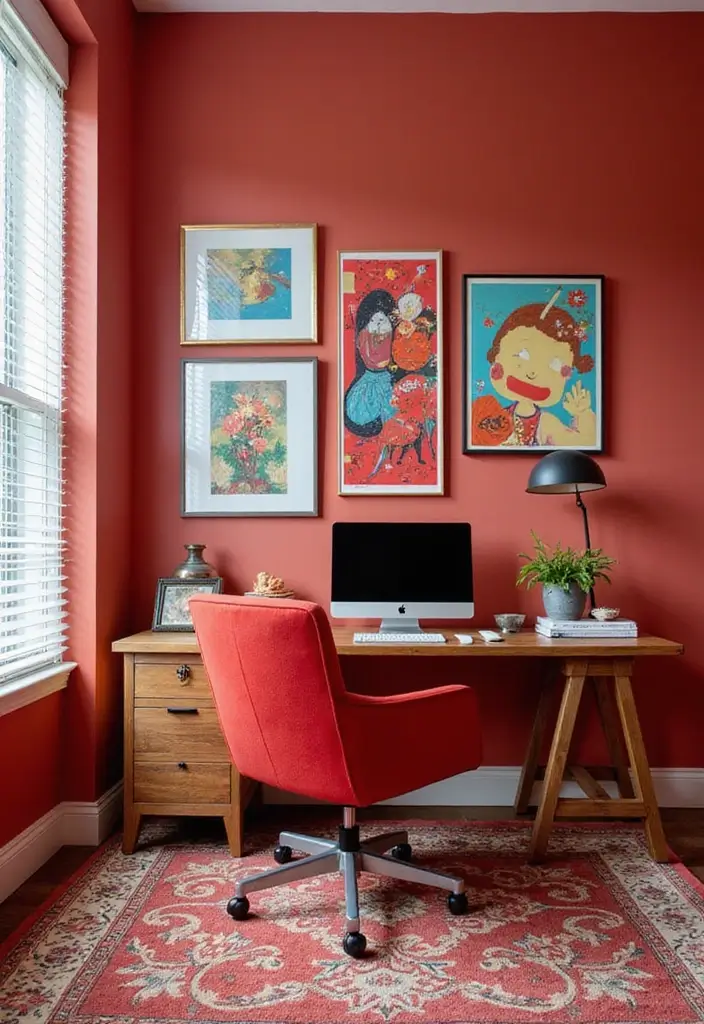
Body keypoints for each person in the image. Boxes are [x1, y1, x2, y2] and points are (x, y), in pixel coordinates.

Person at [472, 289, 596, 447]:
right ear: (497, 354)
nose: (532, 373)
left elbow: (584, 443)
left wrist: (582, 414)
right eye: (522, 354)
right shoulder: (493, 414)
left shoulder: (546, 424)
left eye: (554, 364)